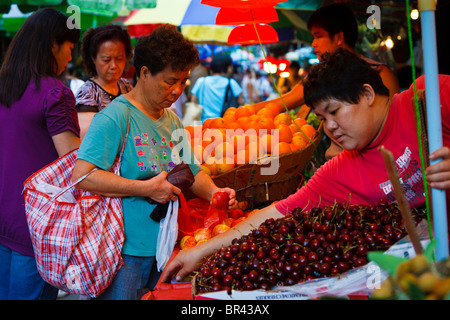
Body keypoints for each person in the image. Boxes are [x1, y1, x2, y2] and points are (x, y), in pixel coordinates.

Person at [161, 49, 450, 284]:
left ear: (367, 94)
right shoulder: (340, 170)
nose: (330, 128)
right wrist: (200, 251)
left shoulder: (430, 99)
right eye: (323, 118)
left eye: (335, 111)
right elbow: (274, 213)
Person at [71, 25, 236, 300]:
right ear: (145, 73)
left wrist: (215, 193)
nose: (177, 91)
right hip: (124, 253)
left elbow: (191, 169)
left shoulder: (171, 119)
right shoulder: (115, 117)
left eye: (183, 82)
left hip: (165, 248)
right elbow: (83, 176)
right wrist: (146, 189)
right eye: (170, 81)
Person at [0, 8, 81, 300]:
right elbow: (73, 164)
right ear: (52, 45)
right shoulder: (55, 93)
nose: (71, 57)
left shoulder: (4, 85)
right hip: (35, 227)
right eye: (70, 47)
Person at [254, 3, 401, 160]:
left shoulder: (379, 74)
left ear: (338, 37)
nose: (313, 44)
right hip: (339, 166)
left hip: (382, 164)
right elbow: (279, 104)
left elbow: (397, 127)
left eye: (318, 36)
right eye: (324, 117)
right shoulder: (320, 78)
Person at [75, 24, 133, 139]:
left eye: (119, 59)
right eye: (106, 60)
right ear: (93, 58)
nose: (114, 65)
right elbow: (88, 135)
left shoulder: (126, 86)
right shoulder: (88, 92)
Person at [191, 54, 243, 122]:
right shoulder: (231, 83)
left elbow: (193, 101)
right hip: (223, 124)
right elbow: (241, 102)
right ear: (228, 68)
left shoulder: (201, 81)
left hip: (203, 124)